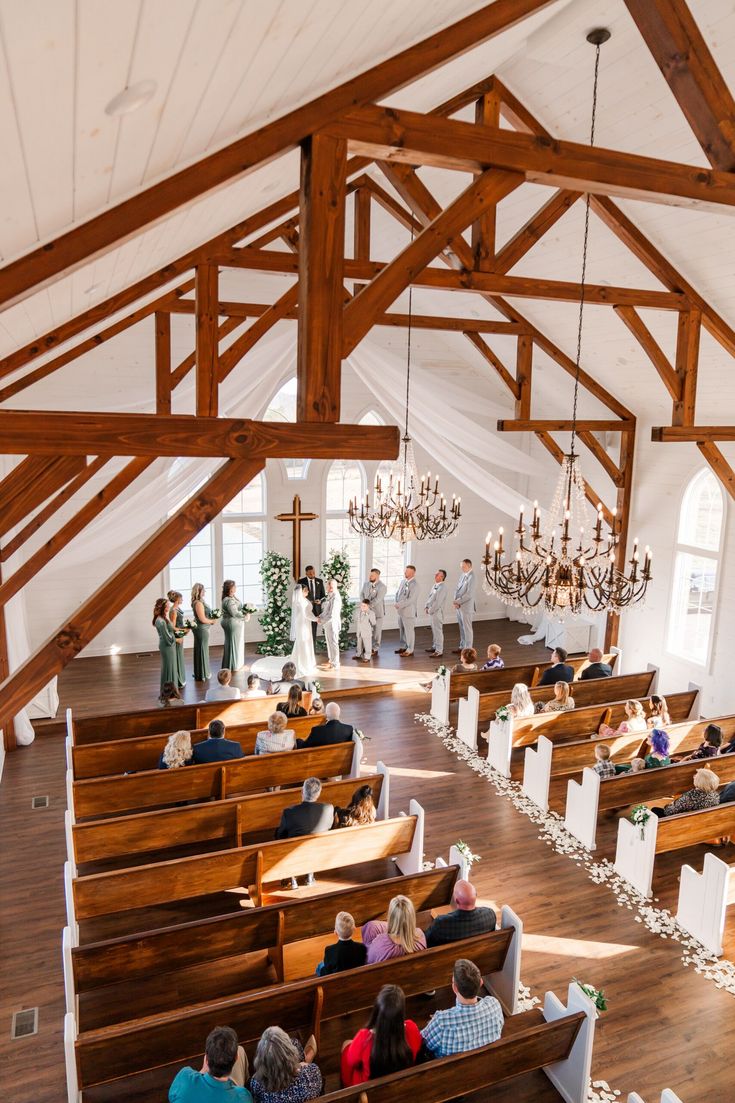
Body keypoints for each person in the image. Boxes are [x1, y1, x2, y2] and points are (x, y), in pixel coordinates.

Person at [340, 984, 422, 1086]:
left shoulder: (364, 1037)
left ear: (377, 1011)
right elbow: (416, 1049)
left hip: (367, 1089)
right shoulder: (412, 1028)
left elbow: (351, 1061)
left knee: (346, 1044)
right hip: (401, 1084)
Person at [421, 958, 504, 1058]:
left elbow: (423, 1043)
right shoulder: (494, 1005)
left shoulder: (441, 1022)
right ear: (481, 982)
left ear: (455, 988)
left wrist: (435, 1021)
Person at [274, 777, 334, 889]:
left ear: (302, 792)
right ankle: (309, 875)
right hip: (319, 850)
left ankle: (292, 878)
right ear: (319, 793)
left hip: (295, 852)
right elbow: (329, 827)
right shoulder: (329, 809)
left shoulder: (289, 812)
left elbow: (280, 835)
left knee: (284, 839)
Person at [169, 1025, 251, 1102]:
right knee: (240, 1049)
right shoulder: (243, 1097)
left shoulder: (185, 1077)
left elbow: (171, 1097)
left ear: (206, 1058)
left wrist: (203, 1070)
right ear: (236, 1057)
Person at [249, 1027, 321, 1103]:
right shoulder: (313, 1072)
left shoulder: (257, 1083)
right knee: (296, 1044)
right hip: (301, 1083)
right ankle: (306, 1059)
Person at [424, 878, 496, 947]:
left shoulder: (441, 923)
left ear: (457, 901)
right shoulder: (490, 915)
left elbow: (426, 942)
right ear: (476, 895)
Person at [361, 895, 426, 964]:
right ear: (412, 917)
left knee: (370, 928)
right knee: (372, 926)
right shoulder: (420, 935)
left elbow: (368, 961)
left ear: (390, 916)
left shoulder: (380, 944)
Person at [316, 910, 367, 977]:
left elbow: (328, 973)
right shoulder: (362, 947)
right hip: (357, 977)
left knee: (320, 966)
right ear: (354, 929)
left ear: (335, 932)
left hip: (337, 982)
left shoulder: (329, 950)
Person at [654, 767, 720, 817]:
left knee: (655, 810)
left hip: (681, 823)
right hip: (701, 822)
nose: (694, 777)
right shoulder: (715, 796)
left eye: (696, 776)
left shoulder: (690, 797)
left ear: (699, 782)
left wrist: (669, 805)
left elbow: (669, 812)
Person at [288, 584, 318, 677]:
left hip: (304, 623)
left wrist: (314, 618)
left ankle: (305, 661)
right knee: (304, 642)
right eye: (306, 590)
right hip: (303, 625)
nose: (308, 592)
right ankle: (304, 663)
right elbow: (307, 614)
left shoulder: (302, 600)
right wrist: (316, 619)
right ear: (301, 591)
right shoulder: (301, 602)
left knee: (304, 642)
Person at [190, 582, 217, 683]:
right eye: (203, 590)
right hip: (201, 629)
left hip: (201, 628)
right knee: (202, 650)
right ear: (199, 591)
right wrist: (212, 621)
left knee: (201, 649)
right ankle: (202, 673)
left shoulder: (200, 601)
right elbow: (202, 619)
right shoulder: (198, 603)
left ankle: (200, 672)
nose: (205, 591)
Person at [154, 597, 178, 702]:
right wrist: (176, 639)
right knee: (168, 668)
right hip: (167, 646)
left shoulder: (163, 618)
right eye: (167, 606)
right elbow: (167, 638)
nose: (169, 607)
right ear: (163, 606)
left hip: (168, 646)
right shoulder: (160, 621)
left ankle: (172, 691)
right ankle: (167, 692)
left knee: (170, 667)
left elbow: (170, 631)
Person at [221, 580, 247, 672]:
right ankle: (233, 664)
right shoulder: (229, 600)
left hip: (230, 622)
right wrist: (245, 615)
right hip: (232, 623)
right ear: (231, 589)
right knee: (234, 644)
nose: (236, 587)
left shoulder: (230, 598)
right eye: (234, 586)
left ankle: (230, 663)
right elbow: (234, 613)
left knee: (232, 643)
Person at [317, 579, 342, 670]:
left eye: (327, 586)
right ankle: (331, 661)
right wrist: (319, 616)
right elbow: (326, 610)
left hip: (333, 624)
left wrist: (321, 620)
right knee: (329, 643)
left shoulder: (336, 598)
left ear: (331, 587)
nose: (326, 588)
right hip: (328, 624)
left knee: (334, 643)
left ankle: (336, 663)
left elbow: (332, 615)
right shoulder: (330, 595)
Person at [361, 568, 387, 654]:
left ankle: (375, 648)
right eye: (370, 575)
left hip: (377, 612)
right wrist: (364, 604)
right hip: (366, 612)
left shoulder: (382, 587)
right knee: (366, 630)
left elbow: (378, 599)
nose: (370, 576)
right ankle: (366, 646)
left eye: (372, 575)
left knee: (377, 632)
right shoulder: (366, 584)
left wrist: (368, 606)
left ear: (377, 576)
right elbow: (361, 594)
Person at [452, 559, 476, 652]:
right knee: (462, 628)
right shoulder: (463, 575)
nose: (462, 568)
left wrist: (458, 602)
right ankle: (462, 647)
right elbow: (457, 588)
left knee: (467, 629)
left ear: (469, 566)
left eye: (464, 566)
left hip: (466, 607)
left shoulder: (472, 577)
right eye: (461, 566)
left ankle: (468, 650)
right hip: (459, 606)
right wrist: (456, 601)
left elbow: (469, 594)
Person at [395, 566, 418, 657]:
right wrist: (396, 602)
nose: (405, 573)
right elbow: (397, 593)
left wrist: (400, 604)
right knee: (402, 630)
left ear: (413, 573)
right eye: (405, 571)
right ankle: (403, 646)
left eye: (407, 571)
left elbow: (411, 599)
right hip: (400, 611)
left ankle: (410, 649)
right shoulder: (403, 581)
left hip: (408, 612)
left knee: (409, 631)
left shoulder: (415, 585)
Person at [298, 565, 325, 643]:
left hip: (316, 610)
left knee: (313, 631)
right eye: (310, 573)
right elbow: (299, 596)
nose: (312, 575)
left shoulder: (320, 581)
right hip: (305, 609)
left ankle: (313, 650)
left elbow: (323, 595)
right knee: (305, 630)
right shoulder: (301, 582)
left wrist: (320, 601)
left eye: (313, 573)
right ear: (306, 573)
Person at [425, 569, 448, 658]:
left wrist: (430, 610)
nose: (435, 575)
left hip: (437, 613)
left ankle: (439, 651)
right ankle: (435, 646)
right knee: (434, 631)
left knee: (438, 631)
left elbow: (438, 602)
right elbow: (430, 598)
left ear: (442, 577)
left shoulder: (443, 588)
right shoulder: (435, 585)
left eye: (437, 574)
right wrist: (426, 606)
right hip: (431, 612)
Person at [168, 590, 188, 689]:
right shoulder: (173, 611)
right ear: (177, 599)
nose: (182, 599)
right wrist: (183, 630)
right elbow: (173, 627)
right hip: (177, 635)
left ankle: (181, 678)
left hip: (180, 634)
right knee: (177, 656)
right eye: (181, 598)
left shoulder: (177, 608)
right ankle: (178, 680)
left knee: (180, 656)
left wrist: (186, 628)